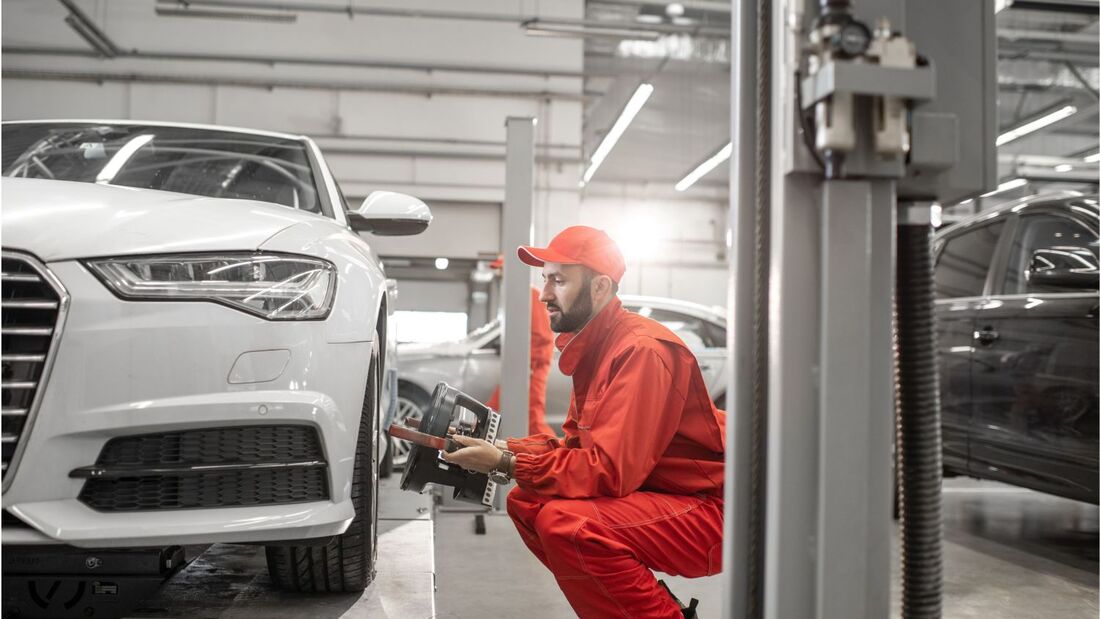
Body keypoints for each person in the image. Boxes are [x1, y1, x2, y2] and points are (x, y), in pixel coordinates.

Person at [443, 226, 726, 618]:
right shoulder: (598, 349)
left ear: (600, 287)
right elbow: (578, 450)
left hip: (717, 513)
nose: (543, 294)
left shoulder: (642, 352)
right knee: (526, 502)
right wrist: (504, 449)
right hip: (676, 498)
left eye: (558, 280)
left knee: (568, 524)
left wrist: (504, 464)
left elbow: (609, 471)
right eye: (545, 279)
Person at [484, 255, 557, 437]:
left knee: (532, 418)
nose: (499, 274)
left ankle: (555, 455)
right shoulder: (516, 296)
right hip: (522, 367)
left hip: (533, 367)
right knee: (493, 409)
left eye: (501, 269)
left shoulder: (530, 295)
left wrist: (529, 366)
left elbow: (542, 336)